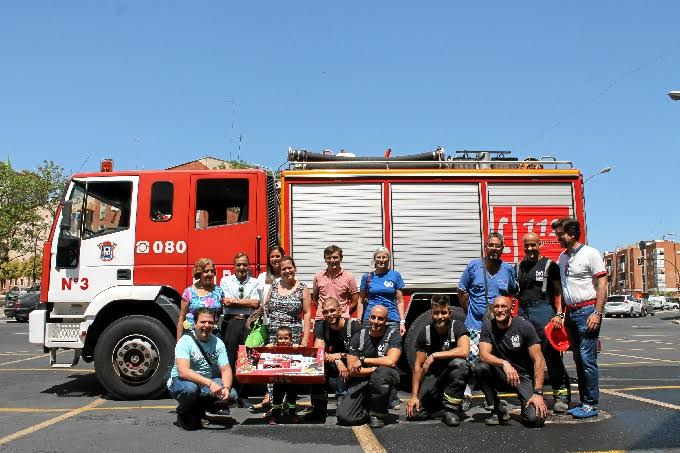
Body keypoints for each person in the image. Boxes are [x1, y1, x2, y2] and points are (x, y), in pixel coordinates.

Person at [553, 218, 607, 419]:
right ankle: (585, 401)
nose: (558, 238)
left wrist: (597, 312)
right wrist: (561, 312)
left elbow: (602, 284)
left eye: (561, 234)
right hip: (572, 314)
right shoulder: (563, 257)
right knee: (577, 359)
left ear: (572, 234)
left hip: (587, 312)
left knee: (587, 358)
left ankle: (591, 404)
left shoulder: (590, 254)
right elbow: (564, 289)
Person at [458, 232, 517, 409]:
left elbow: (511, 293)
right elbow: (462, 292)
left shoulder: (508, 269)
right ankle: (466, 395)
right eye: (491, 245)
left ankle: (491, 398)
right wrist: (470, 312)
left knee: (492, 362)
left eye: (497, 246)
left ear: (502, 248)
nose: (494, 249)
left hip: (497, 327)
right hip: (475, 325)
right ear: (486, 246)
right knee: (471, 361)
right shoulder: (473, 266)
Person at [516, 232, 571, 413]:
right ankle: (533, 394)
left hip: (544, 311)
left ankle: (561, 396)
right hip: (524, 312)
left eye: (533, 245)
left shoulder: (550, 265)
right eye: (527, 246)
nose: (530, 249)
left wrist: (559, 314)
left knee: (551, 355)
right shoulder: (519, 267)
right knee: (528, 357)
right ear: (523, 246)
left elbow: (559, 292)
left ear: (539, 244)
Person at [474, 296, 548, 427]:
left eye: (503, 307)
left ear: (511, 309)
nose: (499, 310)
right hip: (502, 374)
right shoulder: (487, 326)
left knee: (534, 419)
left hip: (523, 377)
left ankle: (531, 403)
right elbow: (483, 355)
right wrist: (504, 363)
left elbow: (539, 360)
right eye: (496, 307)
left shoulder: (524, 326)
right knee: (480, 368)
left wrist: (538, 393)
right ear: (492, 309)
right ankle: (497, 410)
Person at [406, 295, 471, 427]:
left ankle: (451, 409)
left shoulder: (457, 326)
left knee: (460, 364)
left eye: (443, 312)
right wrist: (414, 396)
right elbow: (418, 367)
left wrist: (435, 355)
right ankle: (441, 405)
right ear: (431, 313)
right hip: (434, 377)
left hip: (452, 374)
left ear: (450, 313)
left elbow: (464, 351)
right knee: (414, 414)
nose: (440, 316)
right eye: (436, 313)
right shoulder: (425, 332)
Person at [167, 308, 237, 430]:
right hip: (181, 382)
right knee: (190, 389)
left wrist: (226, 388)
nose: (206, 325)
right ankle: (183, 412)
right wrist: (210, 383)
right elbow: (183, 372)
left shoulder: (218, 343)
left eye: (210, 322)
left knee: (232, 395)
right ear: (195, 323)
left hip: (204, 383)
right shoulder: (185, 341)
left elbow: (225, 369)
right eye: (203, 322)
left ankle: (199, 410)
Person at [336, 305, 402, 428]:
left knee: (382, 375)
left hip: (383, 378)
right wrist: (373, 369)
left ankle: (378, 414)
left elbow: (391, 361)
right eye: (373, 317)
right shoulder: (359, 336)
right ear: (369, 318)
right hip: (362, 380)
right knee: (344, 416)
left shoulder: (393, 335)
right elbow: (351, 369)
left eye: (380, 319)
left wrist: (363, 360)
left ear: (386, 320)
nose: (376, 322)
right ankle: (368, 409)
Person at [306, 297, 363, 423]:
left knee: (345, 370)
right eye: (326, 312)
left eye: (332, 310)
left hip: (353, 366)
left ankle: (342, 405)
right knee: (316, 368)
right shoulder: (322, 326)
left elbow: (361, 355)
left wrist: (340, 356)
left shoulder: (354, 327)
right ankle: (318, 410)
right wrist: (337, 361)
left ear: (340, 310)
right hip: (335, 364)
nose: (329, 314)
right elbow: (319, 352)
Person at [219, 252, 260, 408]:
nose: (242, 267)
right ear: (234, 266)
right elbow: (227, 303)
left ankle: (243, 395)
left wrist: (235, 301)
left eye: (244, 264)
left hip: (249, 323)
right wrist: (245, 302)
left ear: (248, 266)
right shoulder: (226, 280)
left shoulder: (255, 282)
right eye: (238, 265)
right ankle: (229, 393)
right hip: (232, 323)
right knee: (229, 359)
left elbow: (256, 303)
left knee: (247, 359)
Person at [253, 245, 284, 410]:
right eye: (272, 256)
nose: (275, 259)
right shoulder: (262, 277)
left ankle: (281, 397)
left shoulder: (287, 275)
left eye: (278, 256)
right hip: (267, 324)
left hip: (284, 325)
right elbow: (259, 302)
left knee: (283, 359)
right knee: (268, 359)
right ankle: (268, 394)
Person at [357, 247, 406, 336]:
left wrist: (402, 322)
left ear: (388, 259)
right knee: (369, 347)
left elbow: (400, 301)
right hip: (370, 319)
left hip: (391, 319)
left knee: (391, 346)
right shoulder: (367, 277)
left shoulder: (395, 275)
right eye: (378, 257)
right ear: (374, 259)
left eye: (384, 257)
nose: (381, 260)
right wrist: (359, 321)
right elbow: (360, 301)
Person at [265, 255, 312, 347]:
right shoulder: (274, 286)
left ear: (295, 269)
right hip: (273, 336)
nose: (287, 271)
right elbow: (266, 306)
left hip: (293, 337)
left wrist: (305, 338)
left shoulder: (302, 288)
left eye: (290, 268)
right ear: (280, 271)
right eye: (284, 269)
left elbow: (307, 314)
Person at [176, 258, 225, 341]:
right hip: (193, 335)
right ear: (199, 273)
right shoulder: (189, 292)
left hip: (213, 335)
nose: (210, 274)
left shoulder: (219, 291)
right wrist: (179, 343)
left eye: (212, 271)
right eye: (206, 271)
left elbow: (221, 314)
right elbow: (181, 318)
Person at [312, 245, 359, 331]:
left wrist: (344, 313)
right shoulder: (318, 276)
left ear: (341, 258)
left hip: (342, 320)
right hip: (322, 320)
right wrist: (324, 312)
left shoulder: (349, 277)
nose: (332, 260)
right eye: (328, 258)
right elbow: (315, 299)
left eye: (335, 257)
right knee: (319, 344)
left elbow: (355, 301)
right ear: (325, 259)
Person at [265, 327, 302, 425]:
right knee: (277, 399)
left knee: (292, 399)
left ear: (290, 339)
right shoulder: (273, 346)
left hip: (291, 379)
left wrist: (298, 346)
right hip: (278, 379)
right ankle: (275, 416)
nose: (283, 341)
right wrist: (267, 346)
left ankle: (292, 414)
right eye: (280, 338)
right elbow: (265, 352)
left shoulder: (293, 346)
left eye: (286, 338)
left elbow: (303, 351)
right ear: (276, 338)